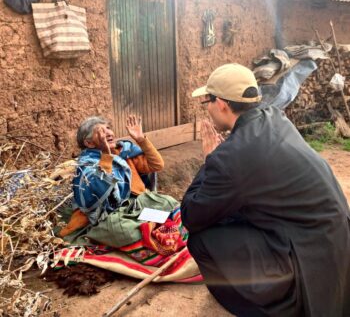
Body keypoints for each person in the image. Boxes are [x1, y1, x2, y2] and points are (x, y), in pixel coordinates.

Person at [181, 63, 350, 317]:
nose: (207, 108)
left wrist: (209, 160)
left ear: (222, 104)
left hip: (308, 256)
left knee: (200, 239)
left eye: (207, 101)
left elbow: (191, 216)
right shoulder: (274, 118)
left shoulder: (231, 157)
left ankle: (269, 309)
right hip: (334, 240)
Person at [59, 115, 178, 248]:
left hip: (137, 204)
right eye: (101, 131)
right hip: (111, 214)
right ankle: (148, 226)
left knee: (170, 204)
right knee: (124, 232)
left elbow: (157, 165)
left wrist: (141, 140)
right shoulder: (86, 165)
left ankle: (147, 224)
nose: (109, 133)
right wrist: (106, 155)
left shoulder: (123, 151)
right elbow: (99, 191)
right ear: (89, 143)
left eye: (108, 128)